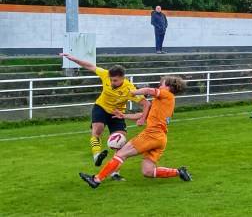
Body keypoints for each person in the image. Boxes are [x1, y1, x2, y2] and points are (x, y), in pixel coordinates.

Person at [79, 75, 192, 188]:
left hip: (152, 134)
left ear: (169, 87)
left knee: (120, 154)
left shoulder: (167, 95)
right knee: (148, 171)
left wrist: (133, 92)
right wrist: (123, 115)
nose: (159, 86)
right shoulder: (163, 103)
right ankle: (179, 172)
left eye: (162, 84)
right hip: (160, 138)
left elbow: (148, 90)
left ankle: (96, 179)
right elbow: (143, 115)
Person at [60, 52, 151, 180]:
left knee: (119, 143)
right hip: (101, 107)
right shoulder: (105, 74)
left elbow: (146, 104)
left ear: (122, 78)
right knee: (97, 130)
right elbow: (90, 66)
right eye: (111, 79)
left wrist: (142, 119)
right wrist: (72, 58)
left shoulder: (129, 89)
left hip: (117, 114)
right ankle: (97, 155)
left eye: (115, 80)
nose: (112, 82)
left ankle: (115, 173)